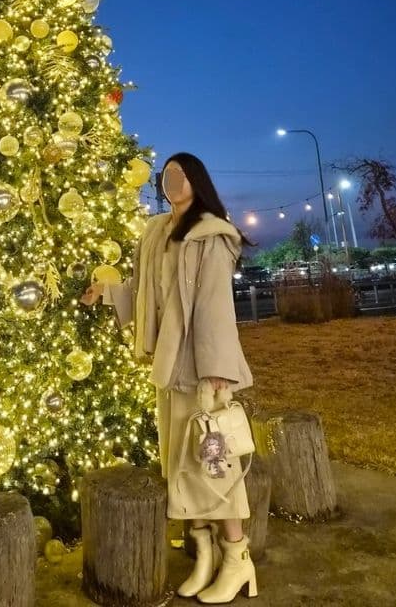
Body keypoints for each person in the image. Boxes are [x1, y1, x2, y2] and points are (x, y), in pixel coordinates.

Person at [81, 152, 257, 603]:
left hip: (202, 370)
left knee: (214, 467)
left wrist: (217, 371)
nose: (171, 182)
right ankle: (203, 556)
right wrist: (107, 293)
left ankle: (237, 560)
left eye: (179, 175)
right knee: (180, 466)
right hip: (168, 366)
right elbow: (144, 292)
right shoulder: (157, 232)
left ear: (197, 181)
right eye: (166, 175)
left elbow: (217, 306)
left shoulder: (211, 236)